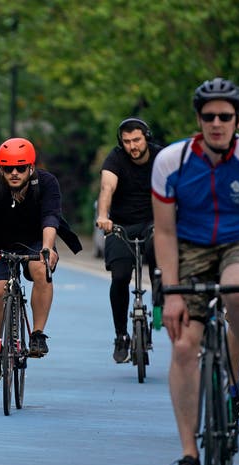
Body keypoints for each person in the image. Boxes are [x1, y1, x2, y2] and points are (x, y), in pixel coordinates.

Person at [152, 77, 239, 465]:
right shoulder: (171, 161)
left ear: (238, 119)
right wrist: (170, 294)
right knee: (185, 345)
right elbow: (165, 232)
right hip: (189, 246)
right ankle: (190, 456)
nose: (216, 123)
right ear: (198, 120)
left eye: (225, 116)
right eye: (208, 117)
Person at [0, 137, 82, 384]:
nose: (14, 173)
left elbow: (51, 217)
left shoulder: (47, 182)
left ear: (31, 167)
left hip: (34, 241)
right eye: (8, 168)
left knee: (41, 269)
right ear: (1, 168)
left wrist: (48, 248)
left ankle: (38, 334)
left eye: (20, 168)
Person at [95, 118, 162, 363]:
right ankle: (121, 335)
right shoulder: (115, 159)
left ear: (146, 137)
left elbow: (174, 188)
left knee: (159, 245)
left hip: (153, 221)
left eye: (136, 140)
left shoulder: (160, 158)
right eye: (126, 142)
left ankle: (159, 300)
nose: (132, 146)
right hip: (120, 223)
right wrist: (103, 216)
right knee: (121, 276)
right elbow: (106, 188)